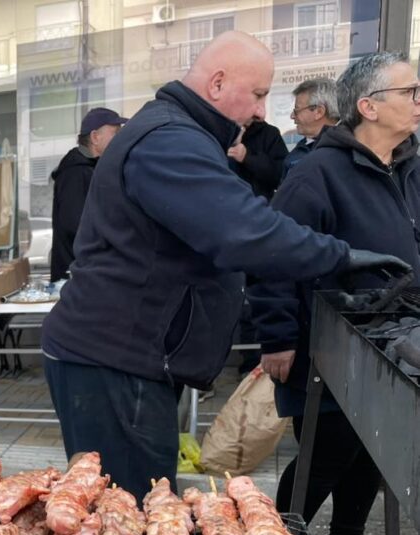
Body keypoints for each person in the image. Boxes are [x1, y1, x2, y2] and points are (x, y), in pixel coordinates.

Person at [38, 30, 409, 503]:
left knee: (136, 507)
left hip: (131, 356)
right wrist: (345, 256)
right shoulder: (168, 140)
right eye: (257, 95)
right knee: (125, 514)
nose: (260, 112)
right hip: (115, 359)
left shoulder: (181, 133)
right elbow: (244, 231)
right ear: (216, 84)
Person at [248, 52, 420, 535]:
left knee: (378, 448)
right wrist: (276, 337)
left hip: (396, 343)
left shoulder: (412, 164)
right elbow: (273, 258)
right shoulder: (316, 173)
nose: (419, 101)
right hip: (330, 343)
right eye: (410, 92)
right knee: (329, 451)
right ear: (369, 106)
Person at [50, 107, 128, 282]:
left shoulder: (90, 169)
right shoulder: (75, 173)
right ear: (95, 137)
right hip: (77, 276)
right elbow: (75, 223)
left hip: (87, 272)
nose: (120, 138)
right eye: (115, 132)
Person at [282, 78, 339, 180]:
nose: (292, 116)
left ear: (319, 112)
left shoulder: (346, 149)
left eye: (297, 110)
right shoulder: (301, 148)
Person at [228, 117, 288, 201]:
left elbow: (281, 175)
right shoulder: (221, 130)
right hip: (224, 202)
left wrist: (247, 157)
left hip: (257, 205)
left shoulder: (269, 133)